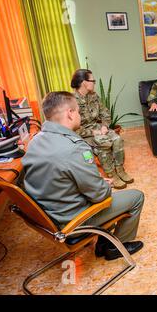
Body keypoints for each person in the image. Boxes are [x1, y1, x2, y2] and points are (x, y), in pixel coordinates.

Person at [22, 91, 144, 261]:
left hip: (49, 214)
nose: (79, 115)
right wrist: (103, 185)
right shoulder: (75, 148)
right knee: (135, 196)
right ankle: (116, 247)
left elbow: (59, 175)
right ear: (70, 114)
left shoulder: (35, 141)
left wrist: (96, 182)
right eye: (78, 111)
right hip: (72, 222)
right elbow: (99, 195)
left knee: (99, 187)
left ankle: (103, 241)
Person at [71, 69, 133, 190]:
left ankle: (119, 169)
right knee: (104, 143)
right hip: (83, 134)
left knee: (117, 139)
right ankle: (112, 174)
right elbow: (72, 127)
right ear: (84, 82)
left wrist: (104, 126)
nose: (94, 83)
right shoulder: (72, 101)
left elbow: (105, 113)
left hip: (98, 127)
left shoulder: (93, 96)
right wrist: (93, 132)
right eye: (92, 80)